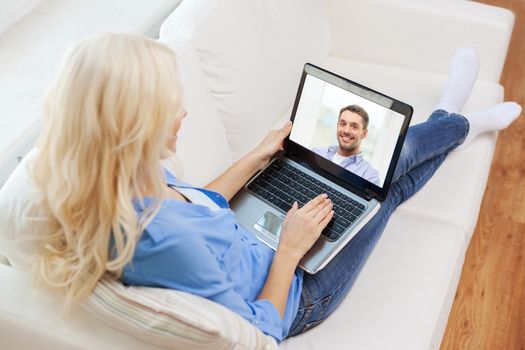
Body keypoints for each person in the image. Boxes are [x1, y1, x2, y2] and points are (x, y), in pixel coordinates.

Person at [27, 35, 521, 342]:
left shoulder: (119, 181)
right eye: (169, 108)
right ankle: (459, 121)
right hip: (297, 291)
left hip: (259, 241)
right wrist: (290, 249)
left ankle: (451, 119)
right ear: (133, 126)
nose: (183, 114)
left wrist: (258, 155)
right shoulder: (162, 242)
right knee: (380, 191)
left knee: (374, 176)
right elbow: (258, 329)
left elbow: (197, 207)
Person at [312, 104, 380, 185]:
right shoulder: (315, 153)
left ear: (364, 133)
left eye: (354, 126)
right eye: (343, 124)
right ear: (337, 126)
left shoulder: (369, 176)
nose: (346, 131)